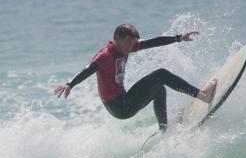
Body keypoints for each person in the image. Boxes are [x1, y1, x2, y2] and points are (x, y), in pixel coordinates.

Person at [54, 24, 217, 131]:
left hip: (123, 103)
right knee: (160, 74)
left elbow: (153, 42)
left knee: (159, 90)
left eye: (133, 44)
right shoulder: (105, 56)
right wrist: (70, 84)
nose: (131, 48)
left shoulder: (124, 47)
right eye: (128, 44)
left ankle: (164, 130)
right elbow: (89, 69)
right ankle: (203, 95)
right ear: (116, 38)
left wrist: (178, 38)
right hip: (119, 105)